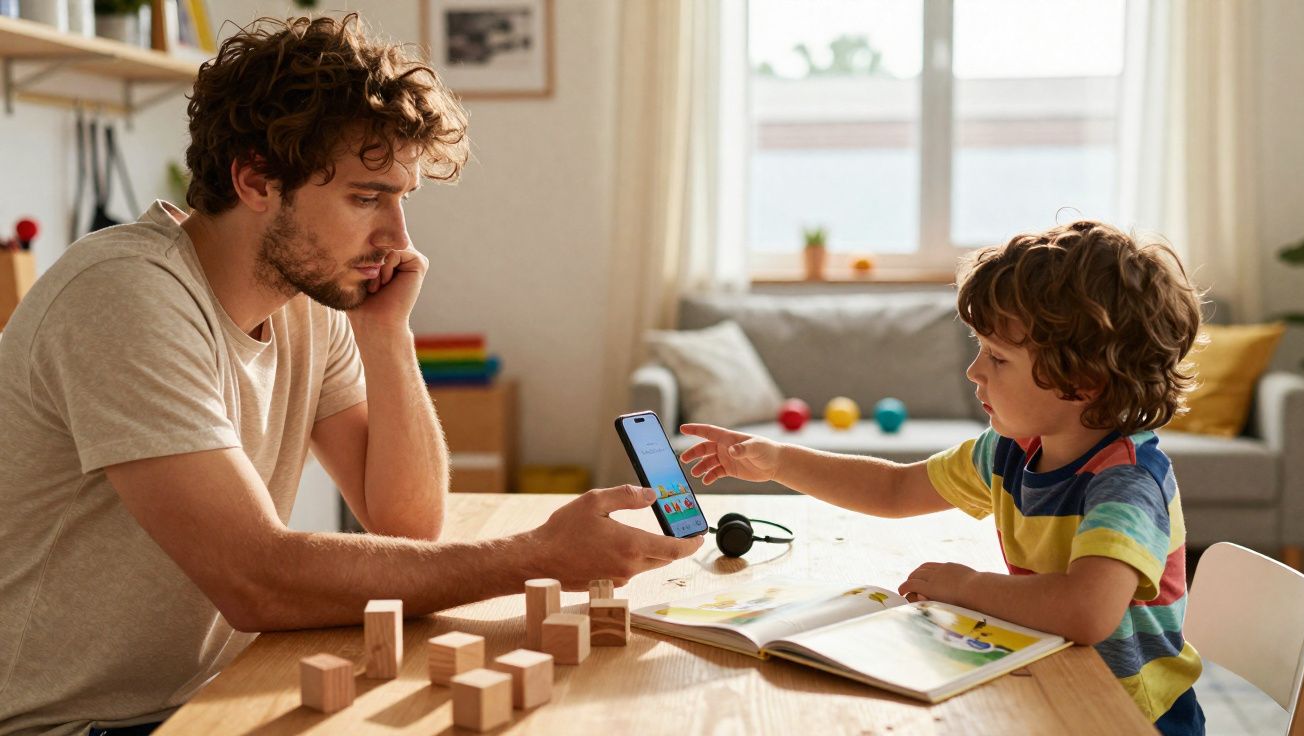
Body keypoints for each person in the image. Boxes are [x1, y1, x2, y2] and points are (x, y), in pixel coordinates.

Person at [0, 15, 700, 736]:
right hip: (67, 726)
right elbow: (257, 579)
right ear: (255, 180)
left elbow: (407, 526)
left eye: (401, 199)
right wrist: (535, 557)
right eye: (366, 199)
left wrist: (385, 334)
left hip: (208, 694)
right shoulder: (125, 296)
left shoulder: (308, 297)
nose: (398, 239)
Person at [681, 221, 1205, 736]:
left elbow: (1085, 612)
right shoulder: (1011, 450)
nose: (974, 371)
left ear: (1083, 379)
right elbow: (895, 489)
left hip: (1131, 716)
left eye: (998, 357)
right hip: (1055, 684)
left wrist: (968, 587)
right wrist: (778, 462)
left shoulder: (1127, 482)